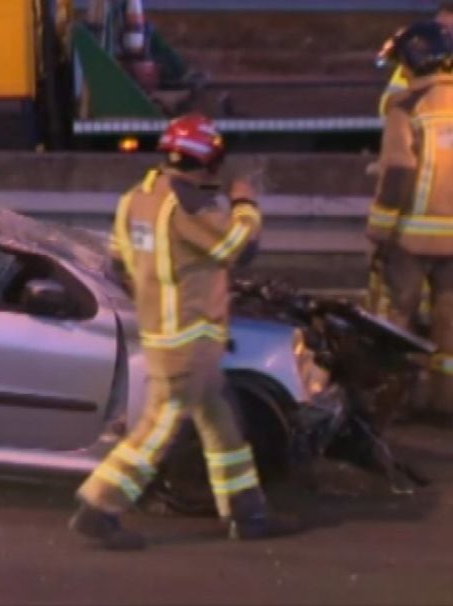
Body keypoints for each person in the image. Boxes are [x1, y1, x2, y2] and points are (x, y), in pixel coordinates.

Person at [70, 114, 297, 551]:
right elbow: (240, 248)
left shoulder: (136, 198)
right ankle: (99, 507)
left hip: (166, 334)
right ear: (208, 159)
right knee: (160, 426)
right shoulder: (189, 204)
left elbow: (119, 262)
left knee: (221, 421)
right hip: (189, 339)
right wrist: (245, 203)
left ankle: (247, 512)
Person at [368, 20, 453, 426]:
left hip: (409, 242)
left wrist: (380, 229)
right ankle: (444, 403)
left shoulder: (405, 107)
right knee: (449, 325)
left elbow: (399, 171)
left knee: (396, 321)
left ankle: (392, 404)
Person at [379, 3, 453, 118]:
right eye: (438, 27)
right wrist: (419, 88)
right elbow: (387, 108)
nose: (441, 34)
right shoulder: (415, 62)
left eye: (447, 29)